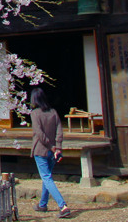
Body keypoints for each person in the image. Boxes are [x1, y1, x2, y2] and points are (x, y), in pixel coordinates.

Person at [30, 87, 72, 218]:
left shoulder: (35, 113)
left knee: (47, 178)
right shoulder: (53, 112)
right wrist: (57, 147)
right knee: (46, 177)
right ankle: (43, 204)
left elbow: (39, 133)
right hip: (53, 152)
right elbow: (60, 130)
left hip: (41, 150)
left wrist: (52, 147)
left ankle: (63, 206)